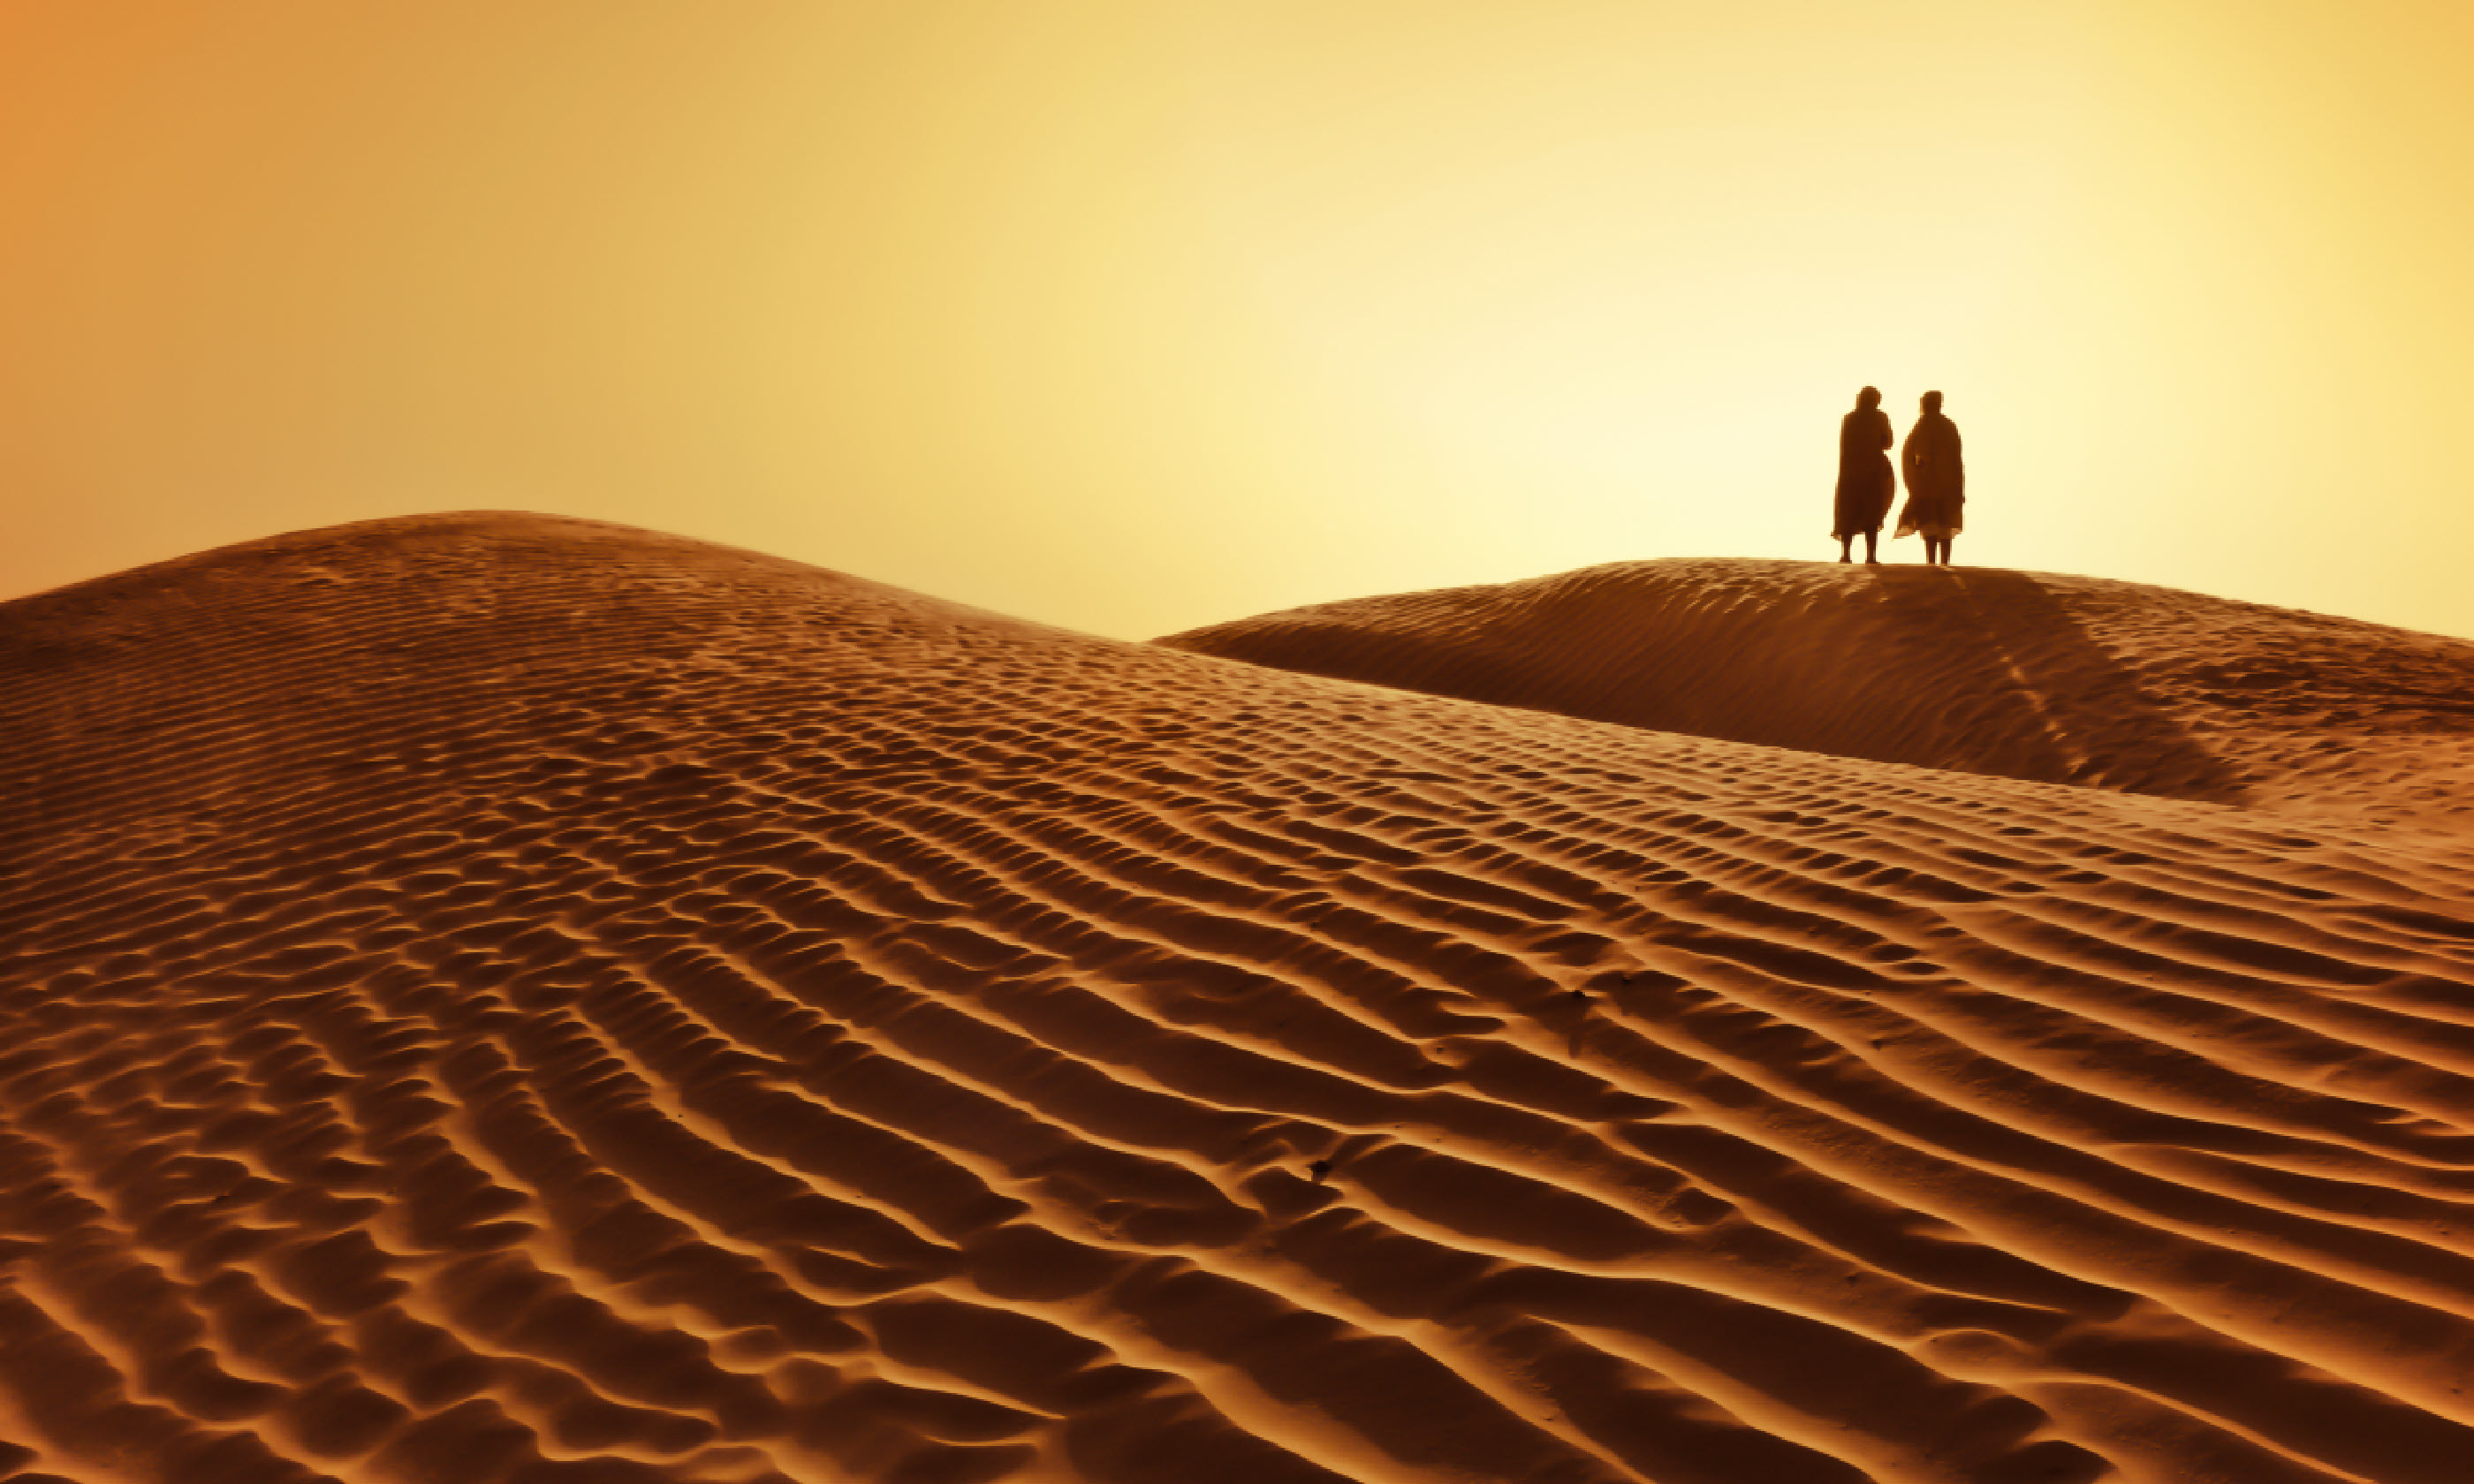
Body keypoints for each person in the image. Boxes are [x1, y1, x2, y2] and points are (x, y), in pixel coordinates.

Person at [1895, 390, 1965, 565]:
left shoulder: (1923, 425)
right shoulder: (1948, 426)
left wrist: (1917, 475)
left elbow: (1912, 454)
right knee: (1943, 524)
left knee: (1932, 524)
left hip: (1928, 484)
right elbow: (1957, 459)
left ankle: (1932, 562)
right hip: (1946, 484)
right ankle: (1943, 562)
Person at [1832, 386, 1894, 564]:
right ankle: (1871, 556)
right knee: (1872, 515)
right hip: (1872, 472)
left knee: (1848, 513)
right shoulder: (1880, 417)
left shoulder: (1849, 418)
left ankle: (1845, 554)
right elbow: (1888, 443)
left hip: (1849, 472)